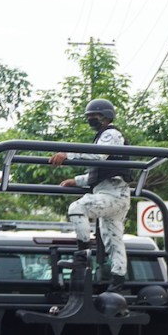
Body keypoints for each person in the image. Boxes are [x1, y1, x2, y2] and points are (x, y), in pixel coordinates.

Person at [50, 98, 131, 293]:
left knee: (77, 208)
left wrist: (68, 154)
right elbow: (99, 173)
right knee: (113, 239)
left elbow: (98, 155)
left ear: (105, 117)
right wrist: (76, 181)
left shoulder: (111, 134)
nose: (91, 120)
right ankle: (117, 280)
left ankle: (81, 257)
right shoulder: (103, 136)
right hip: (113, 193)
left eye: (93, 116)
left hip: (114, 193)